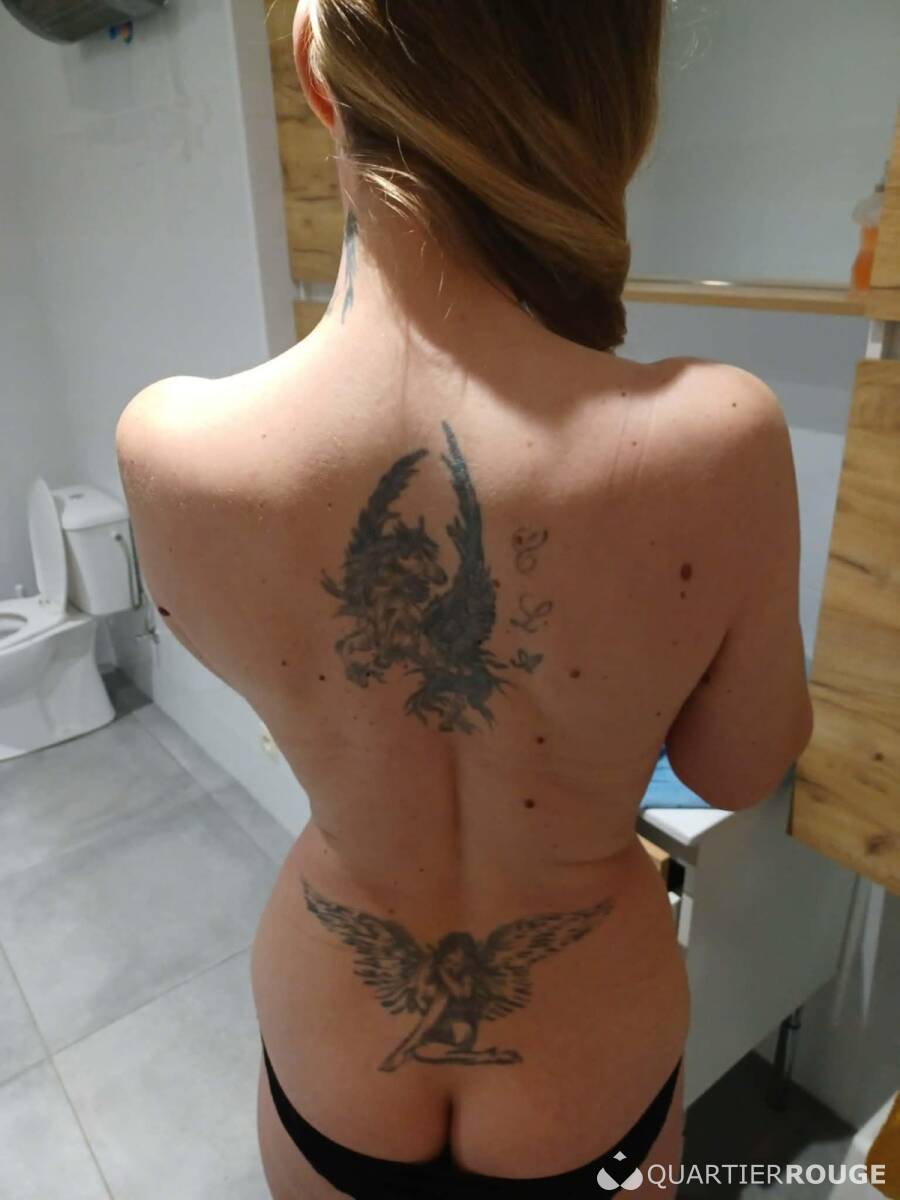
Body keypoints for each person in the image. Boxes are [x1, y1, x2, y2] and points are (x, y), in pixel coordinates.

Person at [116, 1, 814, 1195]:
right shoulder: (721, 437)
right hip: (587, 1068)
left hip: (337, 1050)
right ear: (614, 99)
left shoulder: (174, 447)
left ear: (317, 73)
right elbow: (739, 767)